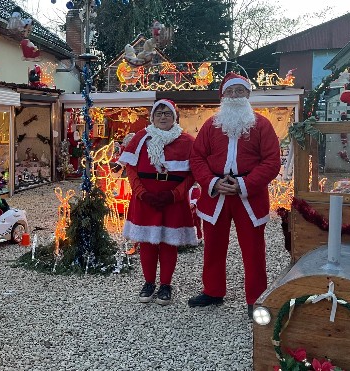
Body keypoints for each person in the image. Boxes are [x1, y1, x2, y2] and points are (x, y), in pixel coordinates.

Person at [188, 72, 280, 318]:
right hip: (215, 193)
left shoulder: (262, 125)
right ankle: (213, 290)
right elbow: (197, 158)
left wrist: (244, 184)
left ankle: (256, 296)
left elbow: (272, 161)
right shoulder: (210, 125)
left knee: (253, 249)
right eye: (231, 91)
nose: (235, 95)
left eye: (240, 91)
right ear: (223, 96)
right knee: (213, 247)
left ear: (248, 95)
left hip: (249, 195)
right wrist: (213, 182)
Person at [119, 99, 197, 306]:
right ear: (152, 117)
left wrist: (175, 195)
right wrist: (142, 193)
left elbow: (192, 174)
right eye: (159, 113)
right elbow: (131, 168)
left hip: (172, 201)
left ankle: (165, 285)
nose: (163, 117)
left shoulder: (187, 142)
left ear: (175, 117)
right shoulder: (140, 138)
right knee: (147, 242)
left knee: (168, 243)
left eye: (167, 113)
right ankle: (149, 282)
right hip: (145, 199)